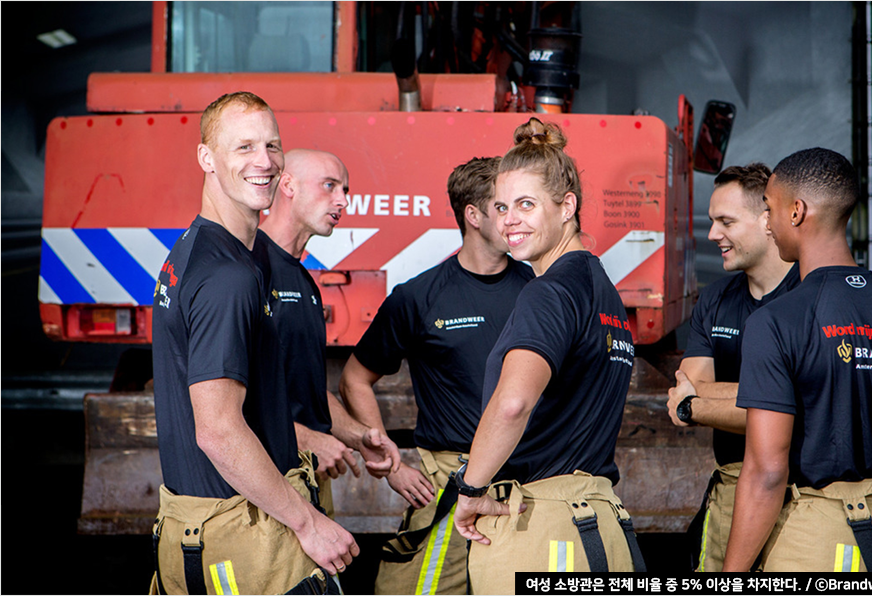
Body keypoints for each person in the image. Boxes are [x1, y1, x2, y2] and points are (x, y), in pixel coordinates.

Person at [151, 92, 358, 595]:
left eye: (272, 146)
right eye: (243, 147)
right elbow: (218, 431)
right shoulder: (231, 278)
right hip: (241, 534)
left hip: (195, 526)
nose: (264, 162)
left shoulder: (192, 250)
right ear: (207, 159)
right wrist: (309, 523)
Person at [723, 148, 872, 572]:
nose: (766, 223)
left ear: (797, 211)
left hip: (813, 544)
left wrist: (730, 577)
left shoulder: (777, 321)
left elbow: (767, 472)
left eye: (769, 208)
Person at [453, 118, 646, 595]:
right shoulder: (602, 292)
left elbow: (514, 402)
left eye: (526, 204)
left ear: (567, 207)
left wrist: (471, 489)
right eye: (500, 207)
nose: (508, 220)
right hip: (599, 523)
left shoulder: (549, 293)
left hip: (545, 531)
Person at [339, 156, 534, 595]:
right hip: (449, 484)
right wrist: (391, 465)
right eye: (502, 208)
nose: (514, 219)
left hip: (527, 487)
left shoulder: (539, 292)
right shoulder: (418, 298)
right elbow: (354, 379)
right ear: (473, 214)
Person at [665, 162, 799, 571]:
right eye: (711, 222)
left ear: (767, 218)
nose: (712, 235)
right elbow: (689, 386)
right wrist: (777, 400)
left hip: (801, 495)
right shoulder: (716, 298)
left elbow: (800, 409)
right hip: (730, 489)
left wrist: (698, 402)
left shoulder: (810, 296)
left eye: (726, 221)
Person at [258, 148, 402, 519]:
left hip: (306, 476)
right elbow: (225, 397)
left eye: (345, 190)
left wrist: (358, 437)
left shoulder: (303, 280)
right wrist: (306, 438)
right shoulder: (248, 269)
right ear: (287, 185)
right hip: (263, 488)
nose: (342, 201)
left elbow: (302, 386)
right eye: (329, 186)